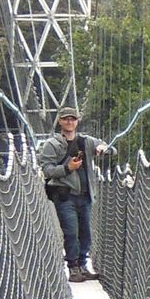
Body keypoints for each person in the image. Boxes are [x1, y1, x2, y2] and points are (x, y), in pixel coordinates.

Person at [38, 108, 109, 282]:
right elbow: (46, 170)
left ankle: (83, 265)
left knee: (86, 232)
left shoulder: (87, 142)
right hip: (65, 196)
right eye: (66, 119)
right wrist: (67, 168)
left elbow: (110, 148)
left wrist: (103, 148)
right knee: (71, 232)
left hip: (85, 196)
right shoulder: (52, 145)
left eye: (73, 119)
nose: (69, 122)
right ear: (60, 122)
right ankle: (73, 267)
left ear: (77, 121)